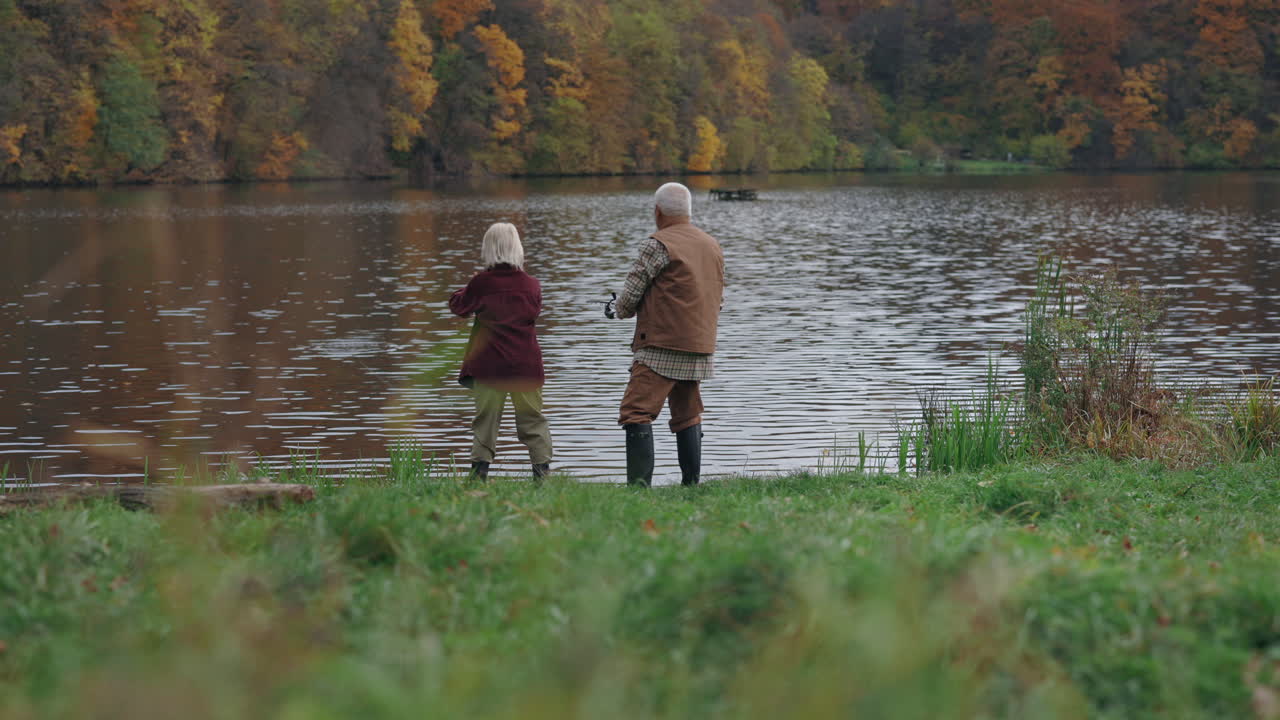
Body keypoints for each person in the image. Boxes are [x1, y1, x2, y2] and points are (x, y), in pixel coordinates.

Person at [608, 182, 724, 486]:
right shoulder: (712, 245)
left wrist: (617, 310)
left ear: (657, 211)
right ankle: (691, 485)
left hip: (660, 346)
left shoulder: (658, 243)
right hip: (700, 345)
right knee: (687, 414)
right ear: (688, 211)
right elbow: (717, 298)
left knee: (635, 412)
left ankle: (639, 489)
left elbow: (632, 292)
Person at [449, 222, 553, 481]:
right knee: (533, 421)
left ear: (489, 248)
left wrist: (466, 287)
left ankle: (478, 477)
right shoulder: (532, 284)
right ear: (517, 248)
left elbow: (459, 307)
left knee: (485, 421)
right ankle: (542, 477)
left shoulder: (481, 283)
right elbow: (533, 312)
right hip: (525, 366)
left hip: (489, 366)